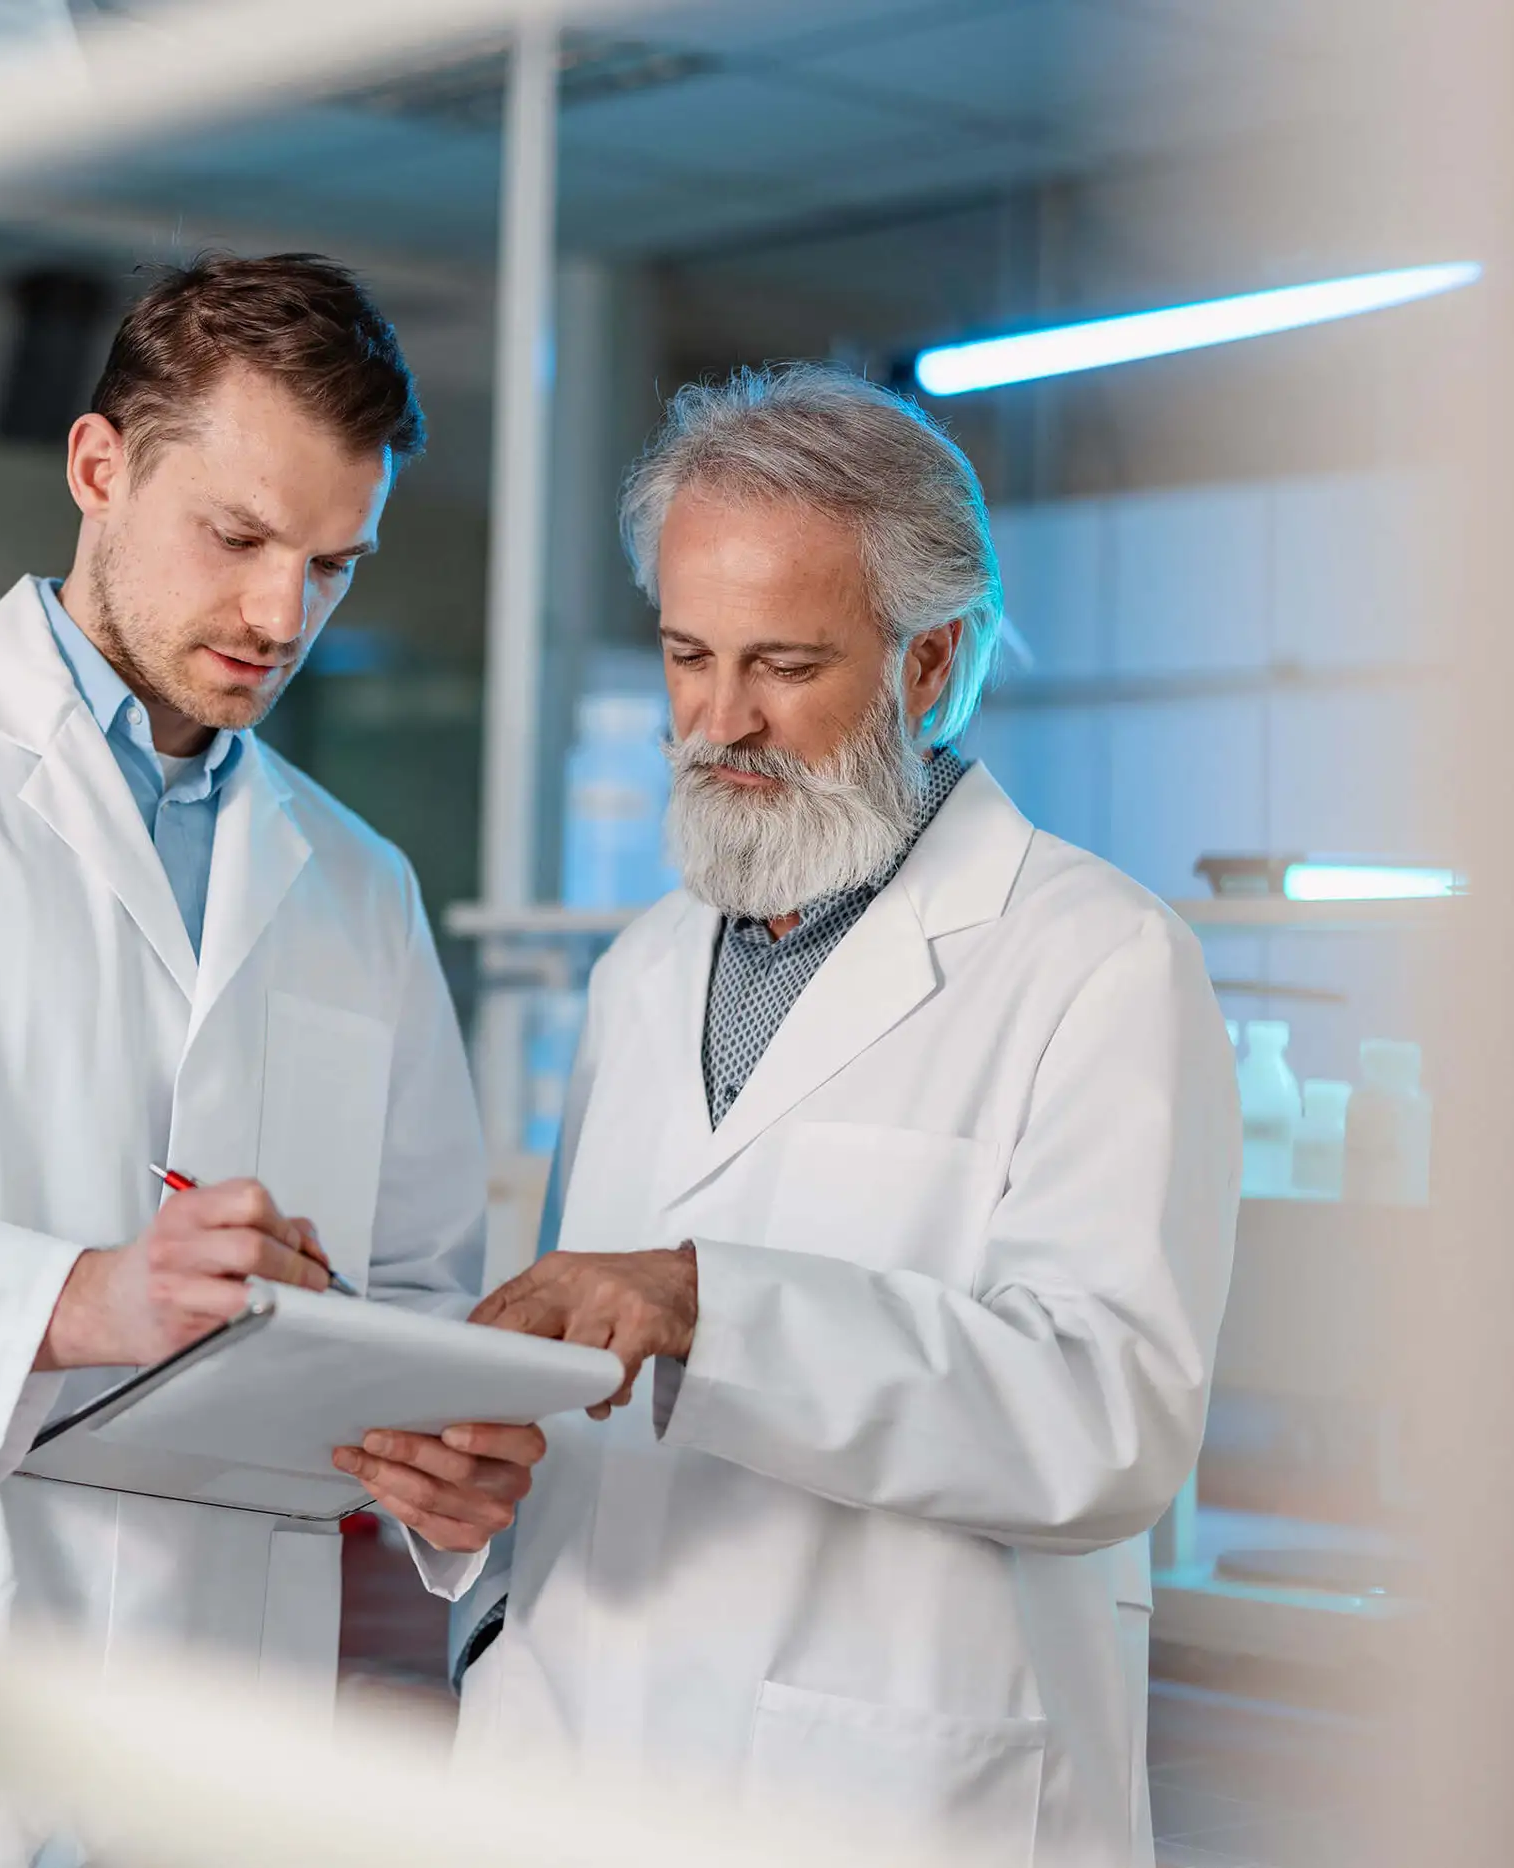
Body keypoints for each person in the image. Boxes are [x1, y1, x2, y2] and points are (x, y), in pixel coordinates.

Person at [0, 252, 544, 1867]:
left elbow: (410, 1299)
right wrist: (73, 1301)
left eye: (334, 564)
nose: (284, 616)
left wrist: (440, 1472)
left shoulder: (357, 888)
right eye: (242, 538)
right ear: (99, 467)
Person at [451, 363, 1238, 1868]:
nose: (718, 717)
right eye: (687, 653)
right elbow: (581, 1384)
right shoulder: (640, 975)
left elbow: (1112, 1420)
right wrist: (467, 1477)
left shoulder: (1098, 963)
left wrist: (708, 1305)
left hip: (883, 1792)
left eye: (785, 665)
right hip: (572, 1762)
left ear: (926, 663)